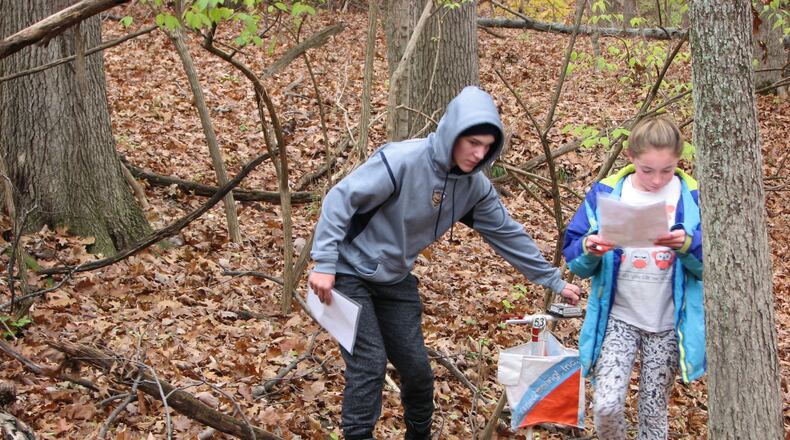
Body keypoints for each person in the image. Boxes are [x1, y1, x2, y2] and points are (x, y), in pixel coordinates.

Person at [309, 86, 581, 440]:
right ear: (453, 133)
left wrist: (553, 280)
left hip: (393, 278)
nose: (478, 153)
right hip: (347, 271)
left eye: (486, 147)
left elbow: (507, 233)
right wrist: (325, 262)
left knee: (419, 371)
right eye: (472, 143)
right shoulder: (402, 160)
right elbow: (340, 199)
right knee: (370, 364)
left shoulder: (473, 187)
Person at [562, 116, 705, 440]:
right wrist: (591, 248)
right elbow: (576, 257)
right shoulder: (608, 193)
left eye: (666, 170)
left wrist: (685, 244)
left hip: (668, 323)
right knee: (607, 405)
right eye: (647, 170)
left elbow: (710, 267)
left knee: (653, 416)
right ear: (630, 157)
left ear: (679, 162)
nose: (657, 180)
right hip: (618, 318)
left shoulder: (692, 197)